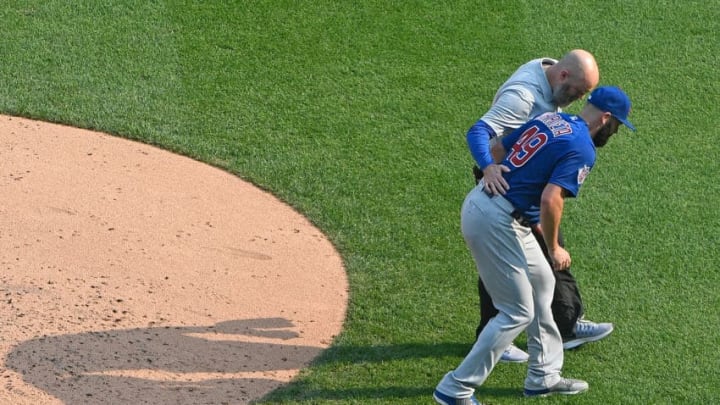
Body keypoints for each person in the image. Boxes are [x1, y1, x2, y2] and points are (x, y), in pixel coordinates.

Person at [433, 86, 636, 405]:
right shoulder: (583, 147)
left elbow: (498, 149)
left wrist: (494, 175)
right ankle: (455, 388)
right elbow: (551, 198)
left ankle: (543, 375)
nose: (615, 132)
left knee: (543, 283)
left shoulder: (550, 121)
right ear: (606, 118)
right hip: (496, 220)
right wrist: (554, 247)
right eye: (617, 126)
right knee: (516, 311)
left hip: (495, 209)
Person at [467, 50, 613, 362]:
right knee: (534, 254)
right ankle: (558, 327)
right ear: (563, 76)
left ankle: (565, 322)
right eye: (578, 91)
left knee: (537, 254)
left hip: (520, 179)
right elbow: (479, 132)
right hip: (503, 181)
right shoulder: (522, 97)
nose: (579, 99)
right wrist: (489, 169)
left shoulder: (548, 70)